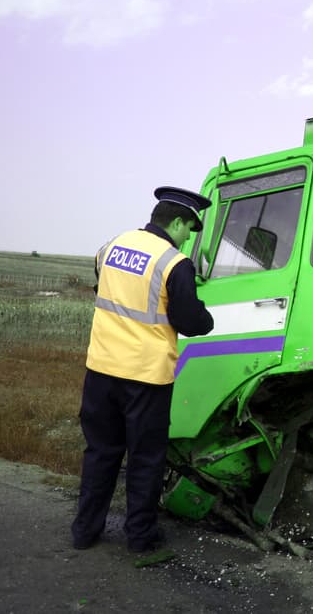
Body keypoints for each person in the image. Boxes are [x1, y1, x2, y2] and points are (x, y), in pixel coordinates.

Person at [71, 186, 214, 553]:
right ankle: (140, 537)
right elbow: (191, 321)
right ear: (178, 222)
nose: (187, 239)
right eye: (189, 230)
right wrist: (207, 317)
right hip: (145, 379)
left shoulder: (110, 247)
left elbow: (107, 292)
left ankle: (85, 531)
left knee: (100, 452)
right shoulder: (173, 263)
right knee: (145, 459)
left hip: (101, 371)